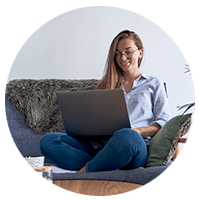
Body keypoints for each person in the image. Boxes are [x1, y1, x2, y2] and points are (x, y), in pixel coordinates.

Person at [40, 30, 171, 173]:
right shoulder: (107, 83)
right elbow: (92, 119)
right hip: (101, 147)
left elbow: (163, 124)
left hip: (134, 147)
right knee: (49, 141)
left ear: (140, 52)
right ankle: (103, 163)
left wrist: (137, 131)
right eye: (118, 53)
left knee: (128, 135)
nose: (122, 58)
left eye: (128, 52)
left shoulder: (153, 83)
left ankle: (86, 171)